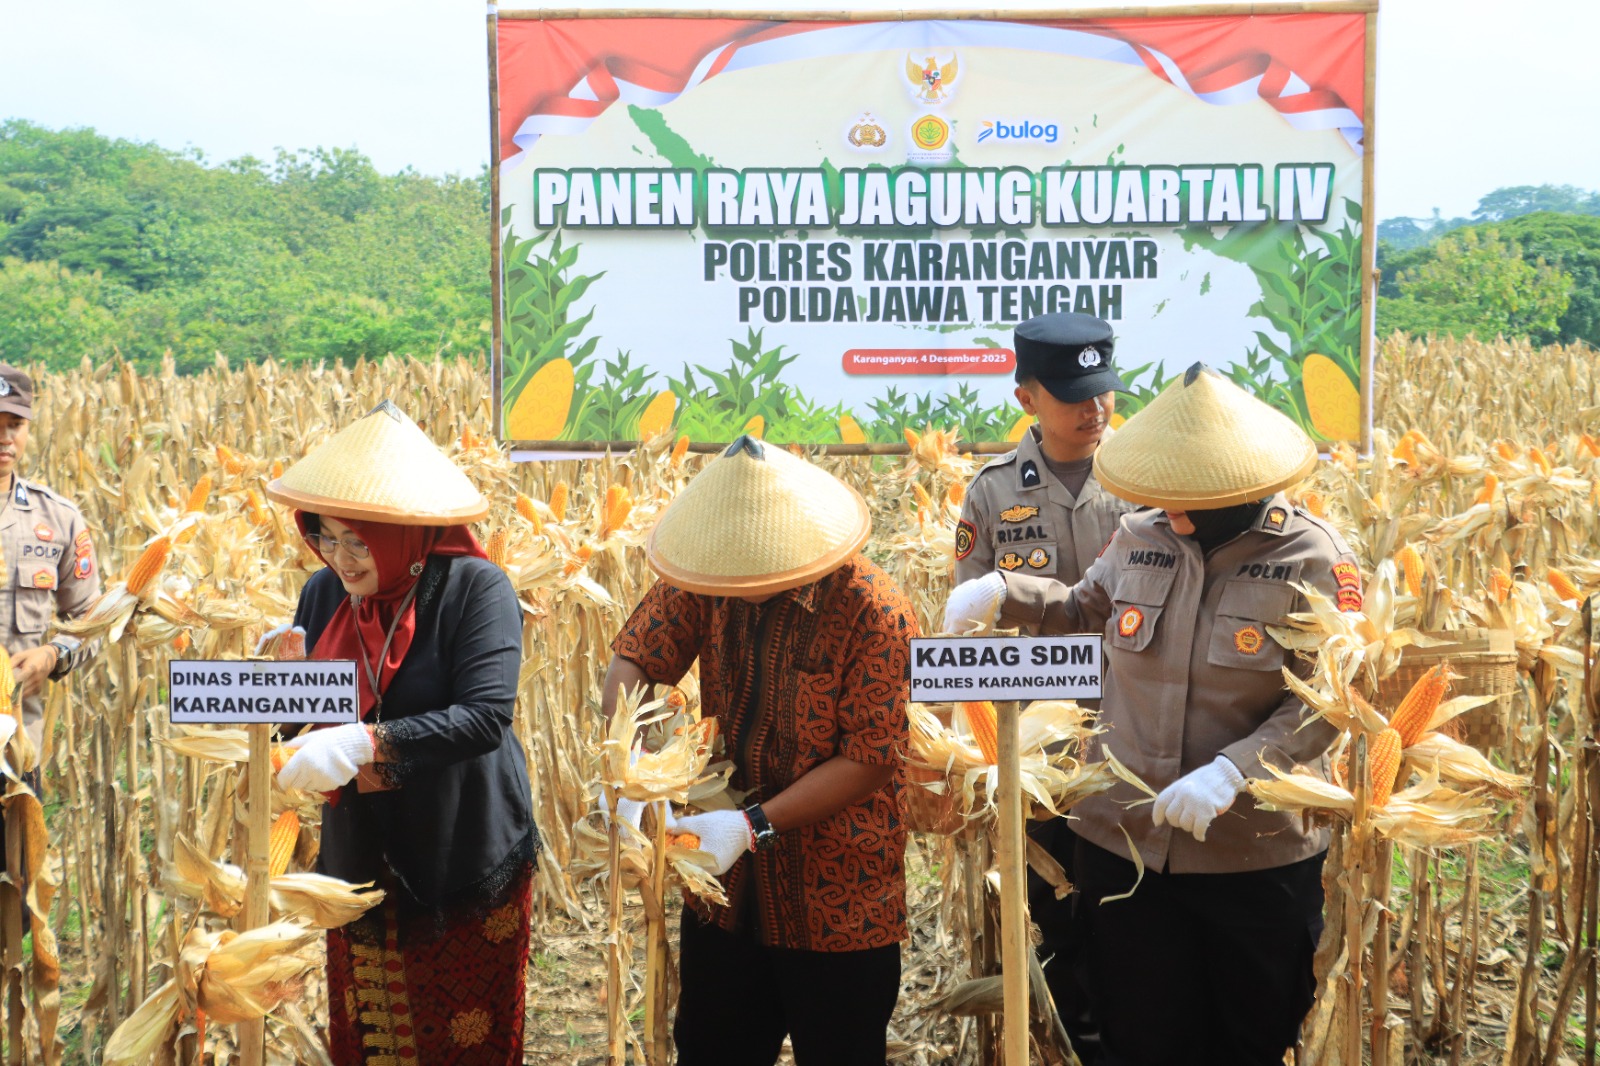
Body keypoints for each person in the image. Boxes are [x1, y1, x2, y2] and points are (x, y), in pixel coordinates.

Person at [943, 364, 1362, 1066]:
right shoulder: (1140, 535)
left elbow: (1335, 696)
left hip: (1250, 856)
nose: (1163, 507)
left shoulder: (1312, 558)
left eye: (1181, 496)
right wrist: (1004, 592)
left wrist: (1234, 771)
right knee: (1140, 1036)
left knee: (1252, 1038)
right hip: (1125, 846)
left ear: (1235, 487)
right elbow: (1083, 607)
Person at [601, 435, 918, 1066]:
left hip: (839, 896)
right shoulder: (709, 573)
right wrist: (629, 767)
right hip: (724, 895)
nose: (731, 584)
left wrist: (752, 827)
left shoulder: (874, 610)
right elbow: (635, 658)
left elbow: (873, 756)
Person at [265, 400, 536, 1066]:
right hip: (359, 851)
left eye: (360, 539)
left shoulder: (476, 589)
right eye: (326, 536)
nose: (341, 557)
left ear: (405, 532)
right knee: (371, 1035)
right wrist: (282, 685)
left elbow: (485, 716)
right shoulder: (323, 594)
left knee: (461, 1036)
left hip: (461, 845)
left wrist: (365, 743)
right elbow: (303, 723)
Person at [949, 312, 1139, 1062]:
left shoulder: (1144, 483)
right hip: (1038, 751)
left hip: (1134, 738)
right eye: (1072, 396)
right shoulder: (992, 494)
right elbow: (972, 627)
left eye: (1103, 393)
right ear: (1027, 397)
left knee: (1128, 906)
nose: (1094, 410)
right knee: (1053, 907)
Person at [0, 363, 101, 750]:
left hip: (18, 745)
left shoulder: (58, 518)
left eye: (15, 424)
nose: (5, 437)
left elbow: (92, 618)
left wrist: (53, 654)